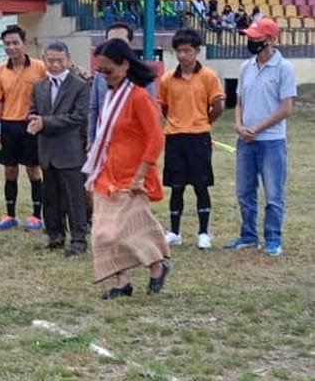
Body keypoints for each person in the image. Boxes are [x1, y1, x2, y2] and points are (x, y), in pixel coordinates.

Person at [83, 38, 170, 299]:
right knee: (102, 233)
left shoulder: (139, 97)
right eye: (100, 71)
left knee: (128, 231)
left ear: (124, 65)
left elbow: (156, 137)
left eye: (108, 70)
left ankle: (157, 265)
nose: (104, 76)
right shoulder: (110, 97)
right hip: (105, 174)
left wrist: (142, 173)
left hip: (133, 177)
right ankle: (123, 282)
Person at [224, 18, 296, 256]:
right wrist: (239, 126)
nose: (251, 42)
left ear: (271, 40)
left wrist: (257, 128)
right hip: (245, 140)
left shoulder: (284, 68)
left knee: (273, 193)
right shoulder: (246, 68)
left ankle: (273, 238)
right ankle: (248, 236)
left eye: (256, 38)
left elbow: (286, 108)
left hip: (272, 141)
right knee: (244, 191)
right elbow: (240, 103)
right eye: (250, 38)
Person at [157, 28, 224, 250]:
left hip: (199, 137)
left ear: (197, 51)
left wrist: (202, 122)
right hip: (175, 137)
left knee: (200, 184)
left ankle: (203, 232)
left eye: (187, 50)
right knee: (176, 186)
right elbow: (165, 107)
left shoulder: (208, 76)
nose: (183, 55)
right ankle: (175, 231)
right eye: (178, 51)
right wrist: (178, 122)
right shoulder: (167, 79)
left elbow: (218, 105)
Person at [27, 41, 89, 257]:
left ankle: (79, 240)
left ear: (68, 60)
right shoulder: (39, 86)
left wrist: (46, 123)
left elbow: (79, 117)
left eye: (59, 60)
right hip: (47, 150)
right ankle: (54, 235)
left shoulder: (80, 86)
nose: (54, 65)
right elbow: (33, 111)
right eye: (50, 60)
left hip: (70, 151)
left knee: (74, 198)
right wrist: (33, 121)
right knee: (50, 197)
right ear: (44, 59)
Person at [0, 25, 47, 231]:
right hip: (8, 125)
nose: (11, 47)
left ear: (24, 43)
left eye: (15, 43)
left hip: (31, 124)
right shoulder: (0, 71)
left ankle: (36, 215)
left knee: (33, 169)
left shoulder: (40, 67)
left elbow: (49, 92)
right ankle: (10, 214)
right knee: (10, 170)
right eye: (7, 44)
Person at [88, 23, 156, 147]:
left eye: (120, 42)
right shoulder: (100, 75)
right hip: (104, 141)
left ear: (129, 44)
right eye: (111, 42)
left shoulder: (142, 76)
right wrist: (91, 139)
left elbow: (151, 116)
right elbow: (94, 108)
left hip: (132, 142)